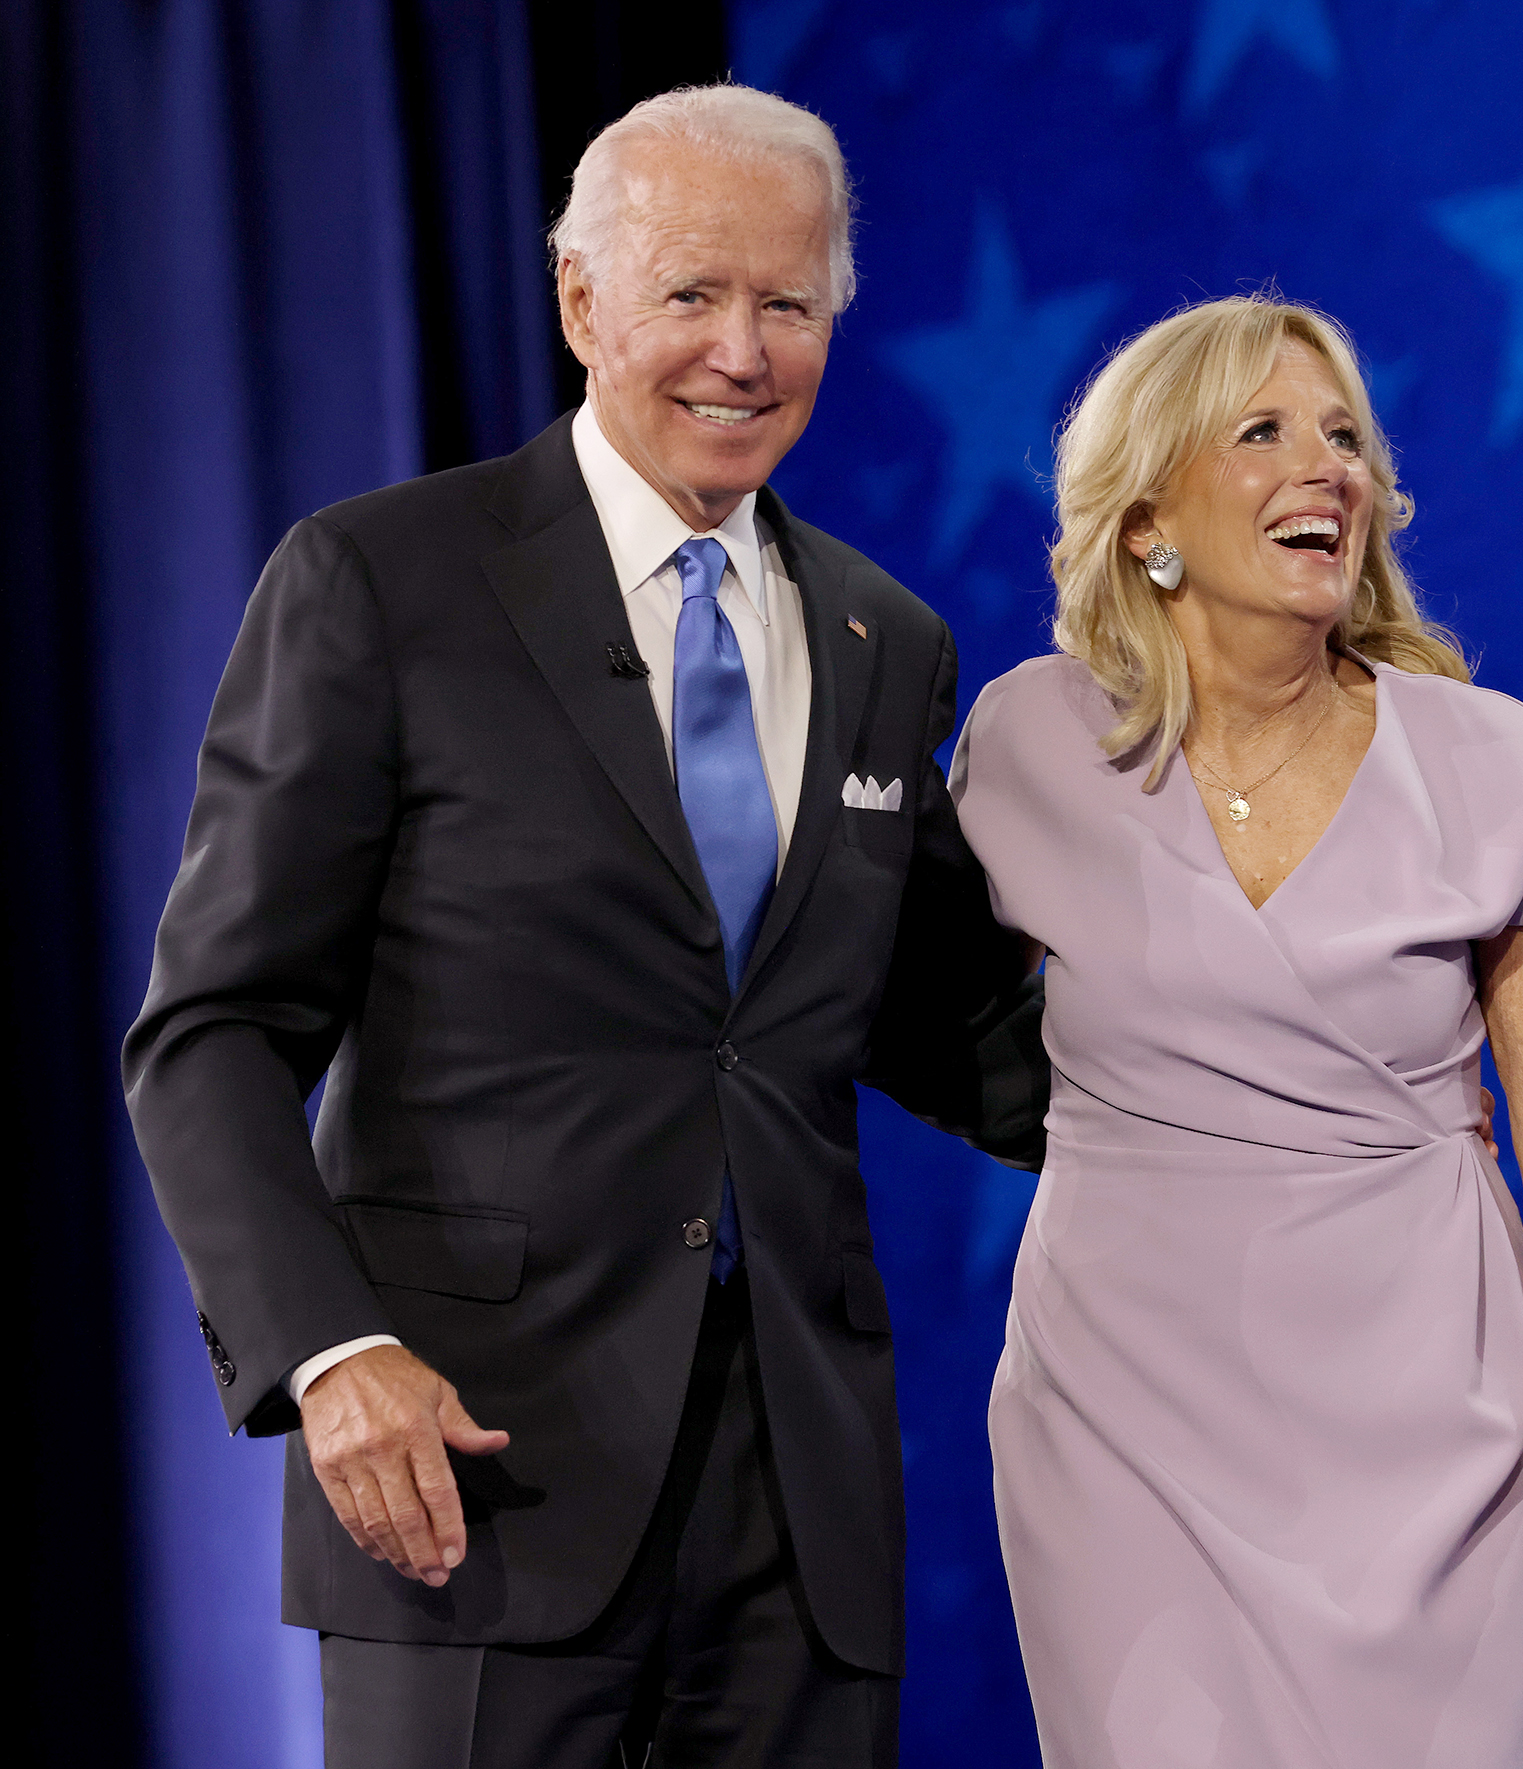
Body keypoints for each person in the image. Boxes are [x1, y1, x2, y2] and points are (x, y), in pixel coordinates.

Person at [121, 85, 1043, 1768]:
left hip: (799, 1515)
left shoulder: (884, 638)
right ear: (580, 299)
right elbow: (214, 1031)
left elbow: (967, 1030)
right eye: (693, 293)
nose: (742, 353)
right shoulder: (383, 582)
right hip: (469, 1474)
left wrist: (1336, 1083)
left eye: (789, 303)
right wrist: (330, 1349)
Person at [948, 294, 1523, 1765]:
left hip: (1434, 1429)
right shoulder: (1030, 743)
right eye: (1264, 432)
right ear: (1146, 517)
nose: (1328, 468)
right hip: (1123, 1425)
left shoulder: (1493, 763)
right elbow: (889, 1008)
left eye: (1346, 438)